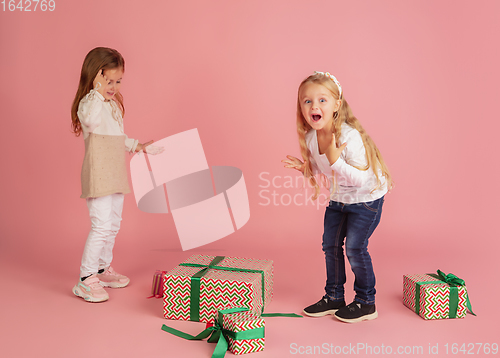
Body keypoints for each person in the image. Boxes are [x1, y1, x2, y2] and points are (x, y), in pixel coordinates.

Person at [282, 71, 392, 323]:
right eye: (307, 101)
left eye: (322, 100)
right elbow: (325, 168)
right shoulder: (312, 137)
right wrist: (306, 167)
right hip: (339, 199)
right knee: (330, 245)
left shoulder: (349, 136)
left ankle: (366, 302)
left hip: (366, 200)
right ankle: (334, 297)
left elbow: (360, 180)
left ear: (336, 106)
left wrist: (334, 158)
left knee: (355, 247)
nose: (314, 106)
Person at [70, 47, 163, 303]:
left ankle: (102, 268)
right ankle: (86, 279)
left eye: (118, 81)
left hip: (115, 173)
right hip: (98, 174)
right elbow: (89, 121)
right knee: (100, 226)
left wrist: (138, 146)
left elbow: (116, 138)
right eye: (108, 80)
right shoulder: (90, 103)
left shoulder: (111, 105)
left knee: (113, 224)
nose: (113, 86)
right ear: (94, 77)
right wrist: (98, 91)